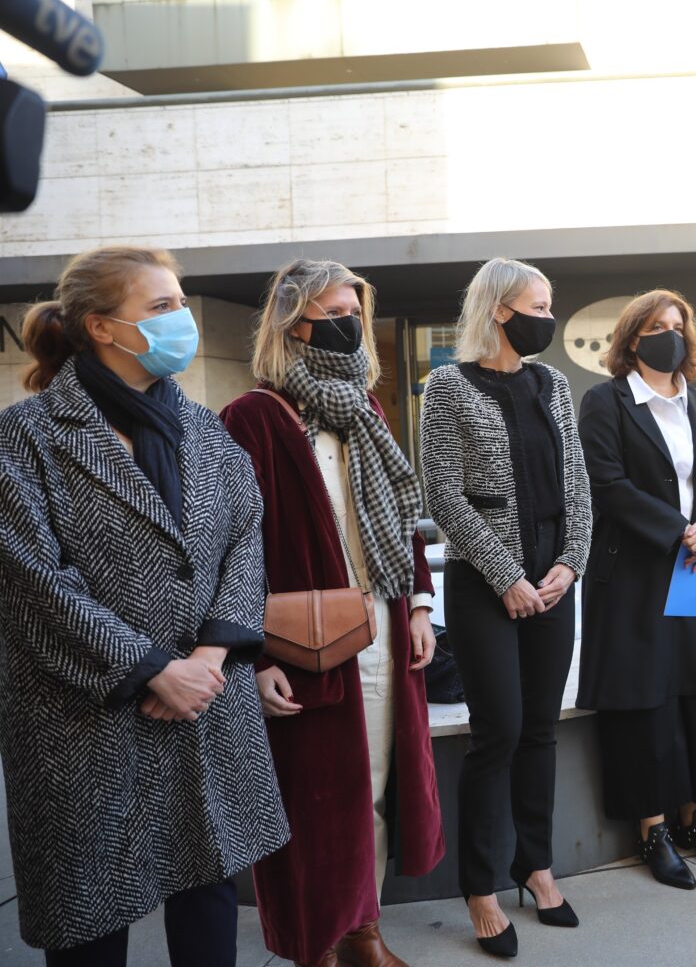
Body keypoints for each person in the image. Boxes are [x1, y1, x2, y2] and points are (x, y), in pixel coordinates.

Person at [0, 246, 287, 965]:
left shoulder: (205, 429)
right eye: (161, 307)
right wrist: (154, 668)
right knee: (91, 921)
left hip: (203, 703)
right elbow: (31, 578)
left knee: (207, 902)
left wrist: (209, 658)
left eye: (180, 302)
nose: (182, 318)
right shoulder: (27, 434)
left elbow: (244, 542)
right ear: (101, 327)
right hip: (84, 718)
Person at [221, 259, 444, 967]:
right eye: (334, 313)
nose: (350, 325)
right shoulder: (254, 416)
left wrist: (419, 605)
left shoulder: (366, 409)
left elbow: (403, 518)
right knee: (312, 802)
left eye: (355, 312)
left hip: (379, 622)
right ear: (294, 323)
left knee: (372, 792)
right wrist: (254, 655)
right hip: (302, 640)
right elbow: (231, 547)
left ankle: (362, 932)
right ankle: (312, 945)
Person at [420, 258, 592, 957]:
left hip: (553, 581)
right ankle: (481, 888)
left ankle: (536, 865)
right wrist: (506, 577)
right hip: (485, 588)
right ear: (499, 308)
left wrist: (570, 563)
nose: (548, 317)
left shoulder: (554, 383)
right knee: (500, 733)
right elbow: (442, 495)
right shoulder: (448, 386)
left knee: (541, 730)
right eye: (538, 305)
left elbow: (576, 483)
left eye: (550, 305)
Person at [576, 289, 696, 890]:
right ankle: (653, 830)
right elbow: (607, 484)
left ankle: (695, 817)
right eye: (655, 326)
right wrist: (680, 531)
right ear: (631, 338)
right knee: (643, 702)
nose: (668, 335)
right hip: (635, 575)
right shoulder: (606, 401)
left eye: (677, 325)